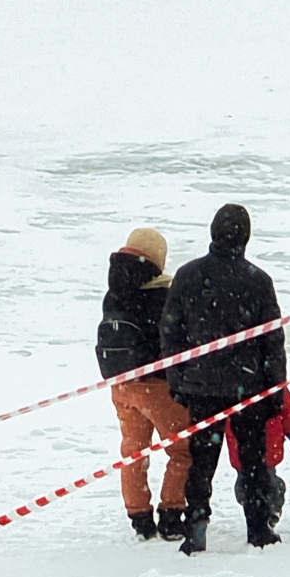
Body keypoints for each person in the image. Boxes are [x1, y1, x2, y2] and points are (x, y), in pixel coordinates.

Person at [159, 202, 288, 554]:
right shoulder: (258, 281)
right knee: (252, 460)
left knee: (202, 461)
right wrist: (276, 389)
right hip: (248, 387)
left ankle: (196, 528)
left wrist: (178, 380)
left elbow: (170, 333)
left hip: (201, 385)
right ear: (245, 237)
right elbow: (273, 342)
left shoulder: (187, 276)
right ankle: (258, 529)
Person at [97, 227, 193, 540]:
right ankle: (170, 513)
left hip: (120, 384)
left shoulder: (114, 291)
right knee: (183, 451)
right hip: (157, 385)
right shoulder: (162, 295)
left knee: (133, 451)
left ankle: (139, 516)